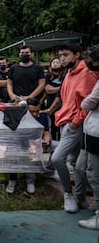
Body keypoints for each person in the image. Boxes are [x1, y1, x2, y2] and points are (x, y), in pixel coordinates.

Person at [51, 42, 99, 213]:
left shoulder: (87, 73)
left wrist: (75, 122)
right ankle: (81, 199)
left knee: (57, 159)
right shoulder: (69, 72)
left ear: (77, 55)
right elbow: (67, 98)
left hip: (76, 124)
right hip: (66, 121)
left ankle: (68, 194)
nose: (62, 59)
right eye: (60, 55)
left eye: (65, 55)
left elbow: (90, 103)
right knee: (76, 163)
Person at [6, 45, 45, 194]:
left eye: (27, 53)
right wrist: (12, 95)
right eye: (22, 53)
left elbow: (42, 84)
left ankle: (31, 179)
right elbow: (9, 83)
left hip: (32, 104)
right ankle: (12, 180)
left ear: (32, 54)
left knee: (32, 145)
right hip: (15, 104)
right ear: (19, 54)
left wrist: (30, 97)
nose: (24, 55)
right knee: (14, 143)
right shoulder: (14, 68)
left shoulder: (37, 68)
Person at [78, 44, 99, 229]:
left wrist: (89, 102)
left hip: (96, 133)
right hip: (92, 131)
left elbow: (87, 102)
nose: (88, 62)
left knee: (94, 173)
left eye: (90, 58)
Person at [44, 57, 64, 140]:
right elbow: (48, 90)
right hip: (51, 102)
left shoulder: (64, 75)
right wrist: (61, 88)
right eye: (53, 62)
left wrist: (54, 89)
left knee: (61, 123)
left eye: (57, 62)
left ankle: (60, 140)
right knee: (52, 124)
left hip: (62, 103)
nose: (55, 64)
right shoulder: (48, 76)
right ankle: (53, 142)